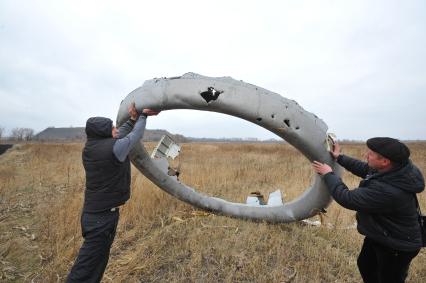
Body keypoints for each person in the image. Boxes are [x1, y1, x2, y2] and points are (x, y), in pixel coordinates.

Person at [66, 103, 160, 282]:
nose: (115, 130)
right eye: (112, 128)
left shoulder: (92, 147)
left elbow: (121, 134)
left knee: (95, 265)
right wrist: (143, 117)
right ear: (103, 133)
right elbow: (134, 137)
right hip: (101, 220)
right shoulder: (113, 149)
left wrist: (132, 119)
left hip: (95, 215)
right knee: (85, 269)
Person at [312, 137, 424, 283]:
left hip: (397, 245)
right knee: (365, 265)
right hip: (382, 234)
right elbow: (366, 169)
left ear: (385, 161)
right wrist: (340, 157)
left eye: (370, 154)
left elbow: (347, 198)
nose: (366, 155)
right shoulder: (397, 169)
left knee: (389, 279)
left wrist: (328, 174)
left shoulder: (387, 191)